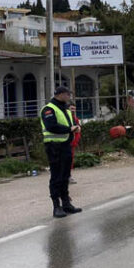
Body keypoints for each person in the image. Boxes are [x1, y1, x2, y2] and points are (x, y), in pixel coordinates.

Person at [40, 86, 82, 218]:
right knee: (56, 176)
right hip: (54, 147)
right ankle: (56, 206)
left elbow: (70, 124)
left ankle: (66, 204)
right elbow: (51, 126)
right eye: (68, 94)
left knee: (65, 176)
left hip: (65, 146)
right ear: (61, 94)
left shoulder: (65, 109)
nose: (69, 97)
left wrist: (76, 128)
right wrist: (70, 129)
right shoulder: (49, 109)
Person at [69, 104, 81, 184]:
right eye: (71, 108)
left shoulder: (76, 119)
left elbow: (78, 129)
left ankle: (68, 176)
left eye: (74, 108)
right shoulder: (67, 118)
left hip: (73, 143)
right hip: (67, 143)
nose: (73, 110)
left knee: (70, 160)